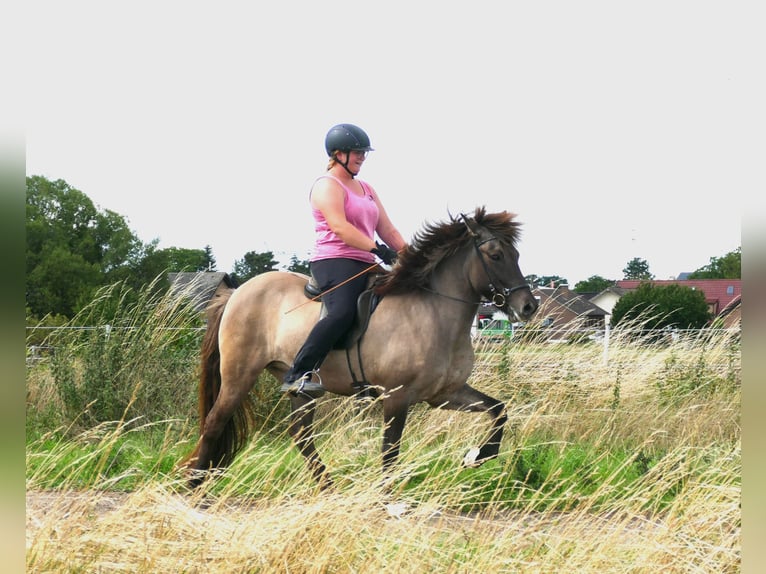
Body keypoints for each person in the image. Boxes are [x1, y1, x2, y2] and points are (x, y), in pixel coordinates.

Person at [280, 123, 407, 397]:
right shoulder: (327, 186)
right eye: (357, 152)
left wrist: (413, 257)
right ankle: (297, 374)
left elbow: (389, 229)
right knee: (342, 313)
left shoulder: (367, 188)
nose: (362, 157)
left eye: (364, 153)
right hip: (334, 260)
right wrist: (379, 249)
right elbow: (340, 227)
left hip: (367, 260)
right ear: (338, 154)